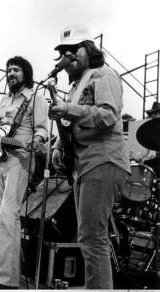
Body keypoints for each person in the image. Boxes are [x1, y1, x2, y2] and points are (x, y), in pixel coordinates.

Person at [48, 24, 131, 289]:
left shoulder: (103, 75)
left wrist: (68, 109)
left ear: (90, 49)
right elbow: (73, 124)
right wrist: (59, 147)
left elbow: (107, 115)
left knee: (92, 237)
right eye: (64, 51)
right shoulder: (75, 86)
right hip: (84, 165)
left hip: (103, 159)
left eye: (74, 50)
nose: (68, 56)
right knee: (88, 237)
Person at [0, 56, 48, 289]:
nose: (10, 73)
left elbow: (41, 130)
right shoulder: (4, 100)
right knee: (4, 219)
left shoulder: (35, 98)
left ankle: (7, 281)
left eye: (16, 70)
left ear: (25, 74)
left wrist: (36, 141)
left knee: (10, 216)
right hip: (0, 161)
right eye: (8, 70)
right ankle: (4, 272)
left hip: (20, 160)